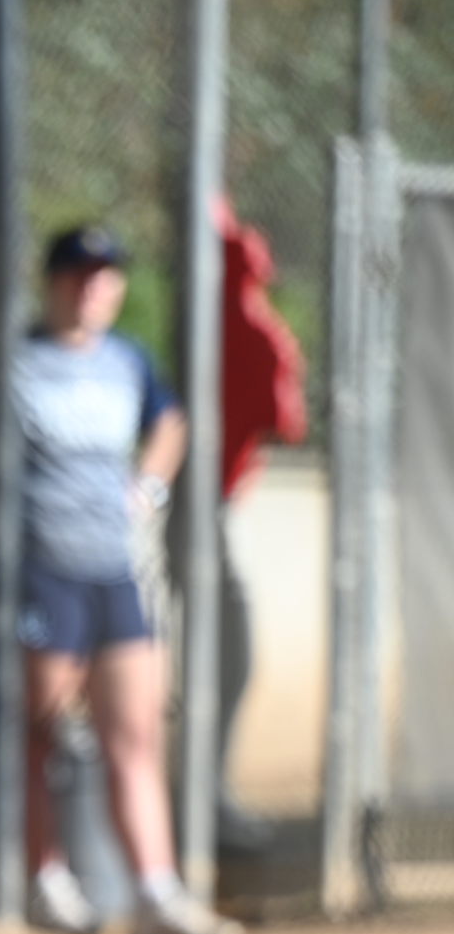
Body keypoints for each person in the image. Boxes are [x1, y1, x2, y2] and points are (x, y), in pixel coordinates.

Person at [0, 224, 244, 934]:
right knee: (38, 729)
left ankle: (158, 893)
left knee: (133, 733)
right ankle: (44, 881)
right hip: (40, 568)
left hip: (112, 568)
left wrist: (150, 487)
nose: (95, 286)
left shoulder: (128, 359)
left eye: (107, 275)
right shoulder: (15, 361)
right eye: (80, 273)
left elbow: (170, 420)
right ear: (53, 281)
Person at [201, 197, 306, 852]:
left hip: (182, 498)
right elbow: (289, 424)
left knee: (212, 653)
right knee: (231, 654)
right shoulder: (259, 327)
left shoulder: (200, 314)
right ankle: (203, 795)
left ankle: (201, 792)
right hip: (209, 507)